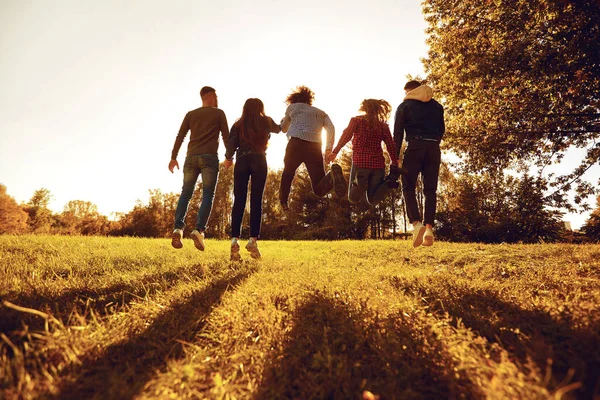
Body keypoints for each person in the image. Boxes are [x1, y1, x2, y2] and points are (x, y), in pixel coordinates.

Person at [169, 86, 229, 251]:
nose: (217, 99)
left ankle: (178, 229)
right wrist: (229, 156)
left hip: (191, 158)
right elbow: (226, 136)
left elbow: (180, 136)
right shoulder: (219, 113)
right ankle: (199, 230)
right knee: (208, 194)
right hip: (209, 158)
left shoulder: (191, 114)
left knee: (186, 193)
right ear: (209, 96)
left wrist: (174, 157)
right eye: (215, 96)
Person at [224, 98, 280, 261]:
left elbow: (231, 143)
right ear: (261, 108)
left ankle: (234, 240)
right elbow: (279, 129)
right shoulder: (266, 121)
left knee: (239, 201)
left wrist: (228, 158)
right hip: (259, 160)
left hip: (241, 161)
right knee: (256, 200)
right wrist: (286, 119)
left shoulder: (238, 124)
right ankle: (253, 240)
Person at [393, 80, 445, 248]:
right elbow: (441, 130)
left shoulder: (405, 105)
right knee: (430, 189)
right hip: (434, 148)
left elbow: (398, 132)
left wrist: (395, 157)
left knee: (408, 186)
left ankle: (417, 224)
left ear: (409, 90)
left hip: (415, 146)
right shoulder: (437, 106)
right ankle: (429, 229)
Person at [279, 86, 347, 210]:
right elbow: (331, 128)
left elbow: (283, 128)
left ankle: (283, 202)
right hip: (314, 147)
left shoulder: (292, 107)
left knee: (288, 173)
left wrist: (283, 121)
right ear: (309, 100)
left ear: (294, 100)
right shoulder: (320, 112)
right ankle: (333, 175)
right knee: (319, 189)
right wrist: (328, 149)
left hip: (295, 145)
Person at [326, 99, 402, 205]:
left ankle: (359, 182)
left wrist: (335, 152)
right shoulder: (383, 126)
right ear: (378, 110)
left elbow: (346, 136)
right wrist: (394, 161)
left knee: (353, 198)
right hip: (378, 165)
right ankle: (388, 183)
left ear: (364, 108)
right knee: (373, 200)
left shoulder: (356, 121)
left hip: (360, 163)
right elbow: (390, 144)